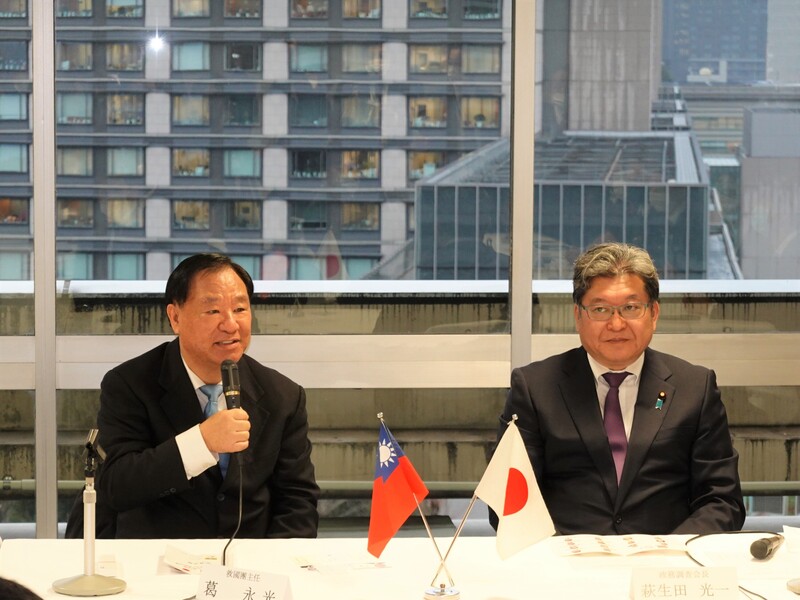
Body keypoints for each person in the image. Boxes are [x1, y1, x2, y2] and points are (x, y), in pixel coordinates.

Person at [496, 242, 745, 535]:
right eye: (600, 309)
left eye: (630, 308)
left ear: (654, 313)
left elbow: (722, 501)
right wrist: (564, 554)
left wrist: (668, 551)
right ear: (578, 316)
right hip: (566, 558)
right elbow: (509, 504)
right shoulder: (534, 388)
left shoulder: (695, 388)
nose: (616, 324)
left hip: (664, 557)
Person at [94, 253, 319, 538]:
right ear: (175, 317)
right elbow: (117, 485)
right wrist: (201, 442)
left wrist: (270, 560)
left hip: (250, 558)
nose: (230, 324)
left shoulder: (283, 396)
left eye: (240, 309)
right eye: (213, 311)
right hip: (159, 556)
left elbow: (298, 503)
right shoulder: (129, 384)